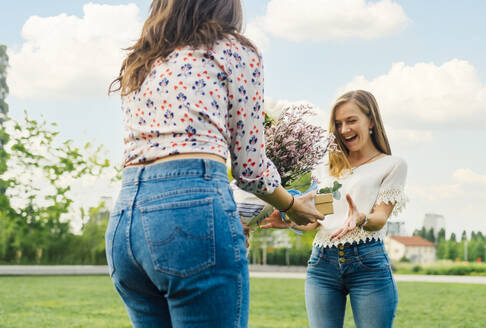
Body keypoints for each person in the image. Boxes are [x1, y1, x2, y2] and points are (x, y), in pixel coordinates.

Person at [105, 1, 324, 327]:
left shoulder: (142, 60)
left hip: (125, 223)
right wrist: (290, 204)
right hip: (193, 215)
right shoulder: (233, 50)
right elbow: (250, 170)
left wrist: (223, 213)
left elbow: (170, 167)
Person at [261, 90, 407, 328]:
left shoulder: (392, 165)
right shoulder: (326, 167)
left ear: (371, 121)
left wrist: (361, 219)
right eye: (338, 124)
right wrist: (289, 220)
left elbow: (380, 218)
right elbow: (317, 221)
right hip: (322, 264)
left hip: (367, 263)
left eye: (351, 121)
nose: (344, 130)